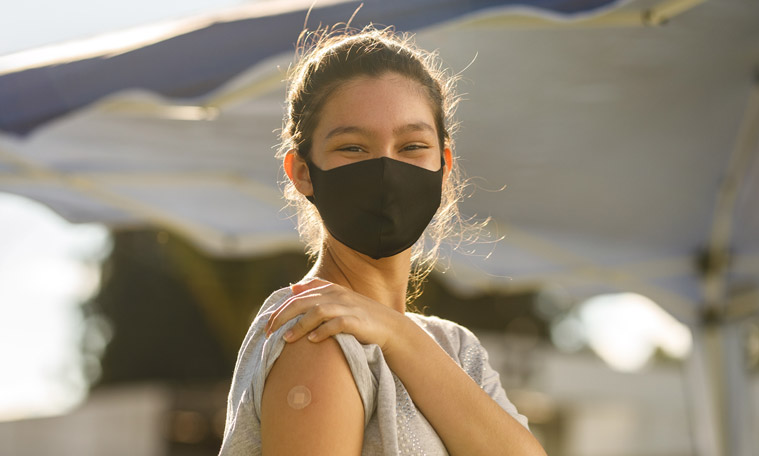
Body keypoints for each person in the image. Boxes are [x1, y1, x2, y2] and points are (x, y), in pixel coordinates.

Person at [217, 28, 545, 456]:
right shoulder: (315, 331)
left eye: (412, 146)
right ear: (301, 171)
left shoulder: (456, 348)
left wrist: (397, 332)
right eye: (353, 148)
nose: (387, 170)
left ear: (443, 166)